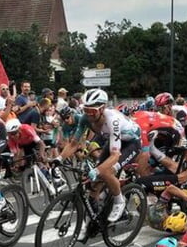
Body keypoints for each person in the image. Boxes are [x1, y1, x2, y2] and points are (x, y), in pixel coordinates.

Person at [55, 89, 141, 225]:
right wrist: (58, 159)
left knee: (105, 172)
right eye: (86, 110)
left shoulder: (113, 120)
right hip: (111, 141)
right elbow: (73, 144)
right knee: (93, 185)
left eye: (92, 111)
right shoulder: (85, 119)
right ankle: (92, 222)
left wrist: (97, 170)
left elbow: (115, 155)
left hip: (130, 143)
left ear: (102, 109)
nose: (88, 114)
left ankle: (119, 201)